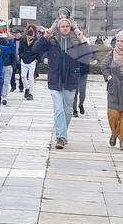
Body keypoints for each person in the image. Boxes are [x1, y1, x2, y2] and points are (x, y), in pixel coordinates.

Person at [34, 19, 92, 149]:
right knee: (58, 109)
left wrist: (82, 39)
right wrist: (45, 36)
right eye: (62, 26)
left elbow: (88, 55)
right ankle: (61, 137)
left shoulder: (75, 42)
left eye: (67, 26)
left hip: (70, 80)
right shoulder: (52, 42)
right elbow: (36, 48)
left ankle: (62, 132)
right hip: (55, 80)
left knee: (68, 110)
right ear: (58, 28)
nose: (65, 28)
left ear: (70, 28)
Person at [73, 50, 99, 118]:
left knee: (82, 91)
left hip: (83, 71)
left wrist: (95, 59)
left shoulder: (84, 46)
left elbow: (92, 52)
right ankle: (74, 109)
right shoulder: (70, 45)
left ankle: (81, 104)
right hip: (73, 72)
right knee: (74, 91)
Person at [19, 24, 40, 100]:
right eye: (27, 37)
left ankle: (31, 93)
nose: (28, 38)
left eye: (30, 37)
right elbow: (20, 49)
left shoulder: (36, 41)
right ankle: (27, 88)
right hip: (24, 59)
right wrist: (21, 56)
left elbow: (39, 51)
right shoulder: (23, 40)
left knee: (31, 77)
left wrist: (36, 59)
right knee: (23, 76)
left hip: (32, 60)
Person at [1, 27, 21, 105]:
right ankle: (1, 94)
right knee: (1, 81)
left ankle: (4, 96)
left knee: (6, 81)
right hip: (1, 65)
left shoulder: (10, 42)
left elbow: (13, 53)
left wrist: (13, 65)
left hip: (8, 65)